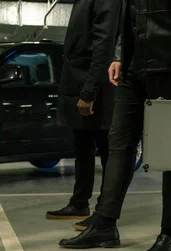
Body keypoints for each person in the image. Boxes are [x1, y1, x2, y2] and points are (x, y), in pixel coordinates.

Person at [59, 0, 171, 251]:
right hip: (133, 67)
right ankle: (104, 224)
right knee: (119, 143)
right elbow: (128, 10)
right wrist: (119, 54)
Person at [45, 0, 121, 227]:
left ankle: (104, 213)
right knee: (83, 148)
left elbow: (104, 45)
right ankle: (79, 203)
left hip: (97, 87)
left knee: (107, 152)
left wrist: (89, 92)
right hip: (82, 81)